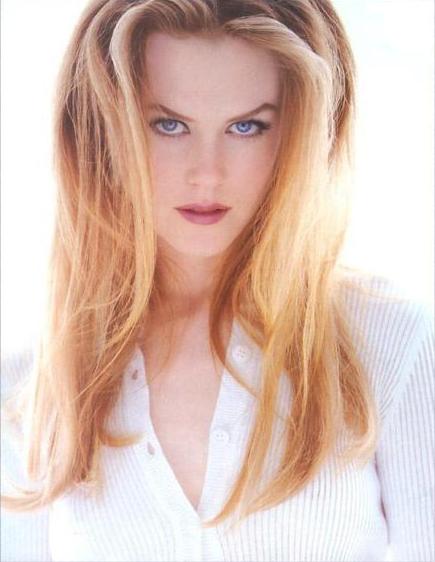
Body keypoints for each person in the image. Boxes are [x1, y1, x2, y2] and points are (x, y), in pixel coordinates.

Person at [1, 0, 433, 561]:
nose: (207, 173)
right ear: (103, 132)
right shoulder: (31, 389)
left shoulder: (392, 342)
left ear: (298, 132)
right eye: (169, 125)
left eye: (247, 126)